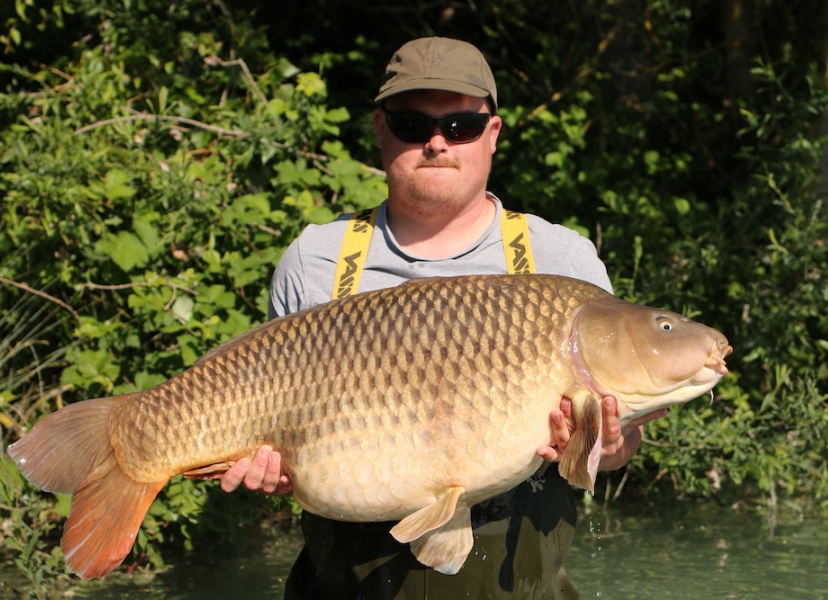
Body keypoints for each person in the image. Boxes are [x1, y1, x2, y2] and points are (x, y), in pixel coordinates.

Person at [219, 37, 665, 599]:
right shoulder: (316, 261)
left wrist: (609, 444)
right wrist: (268, 471)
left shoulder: (561, 261)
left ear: (493, 134)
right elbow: (275, 448)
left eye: (460, 126)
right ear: (381, 130)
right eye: (411, 124)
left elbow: (611, 452)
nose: (435, 142)